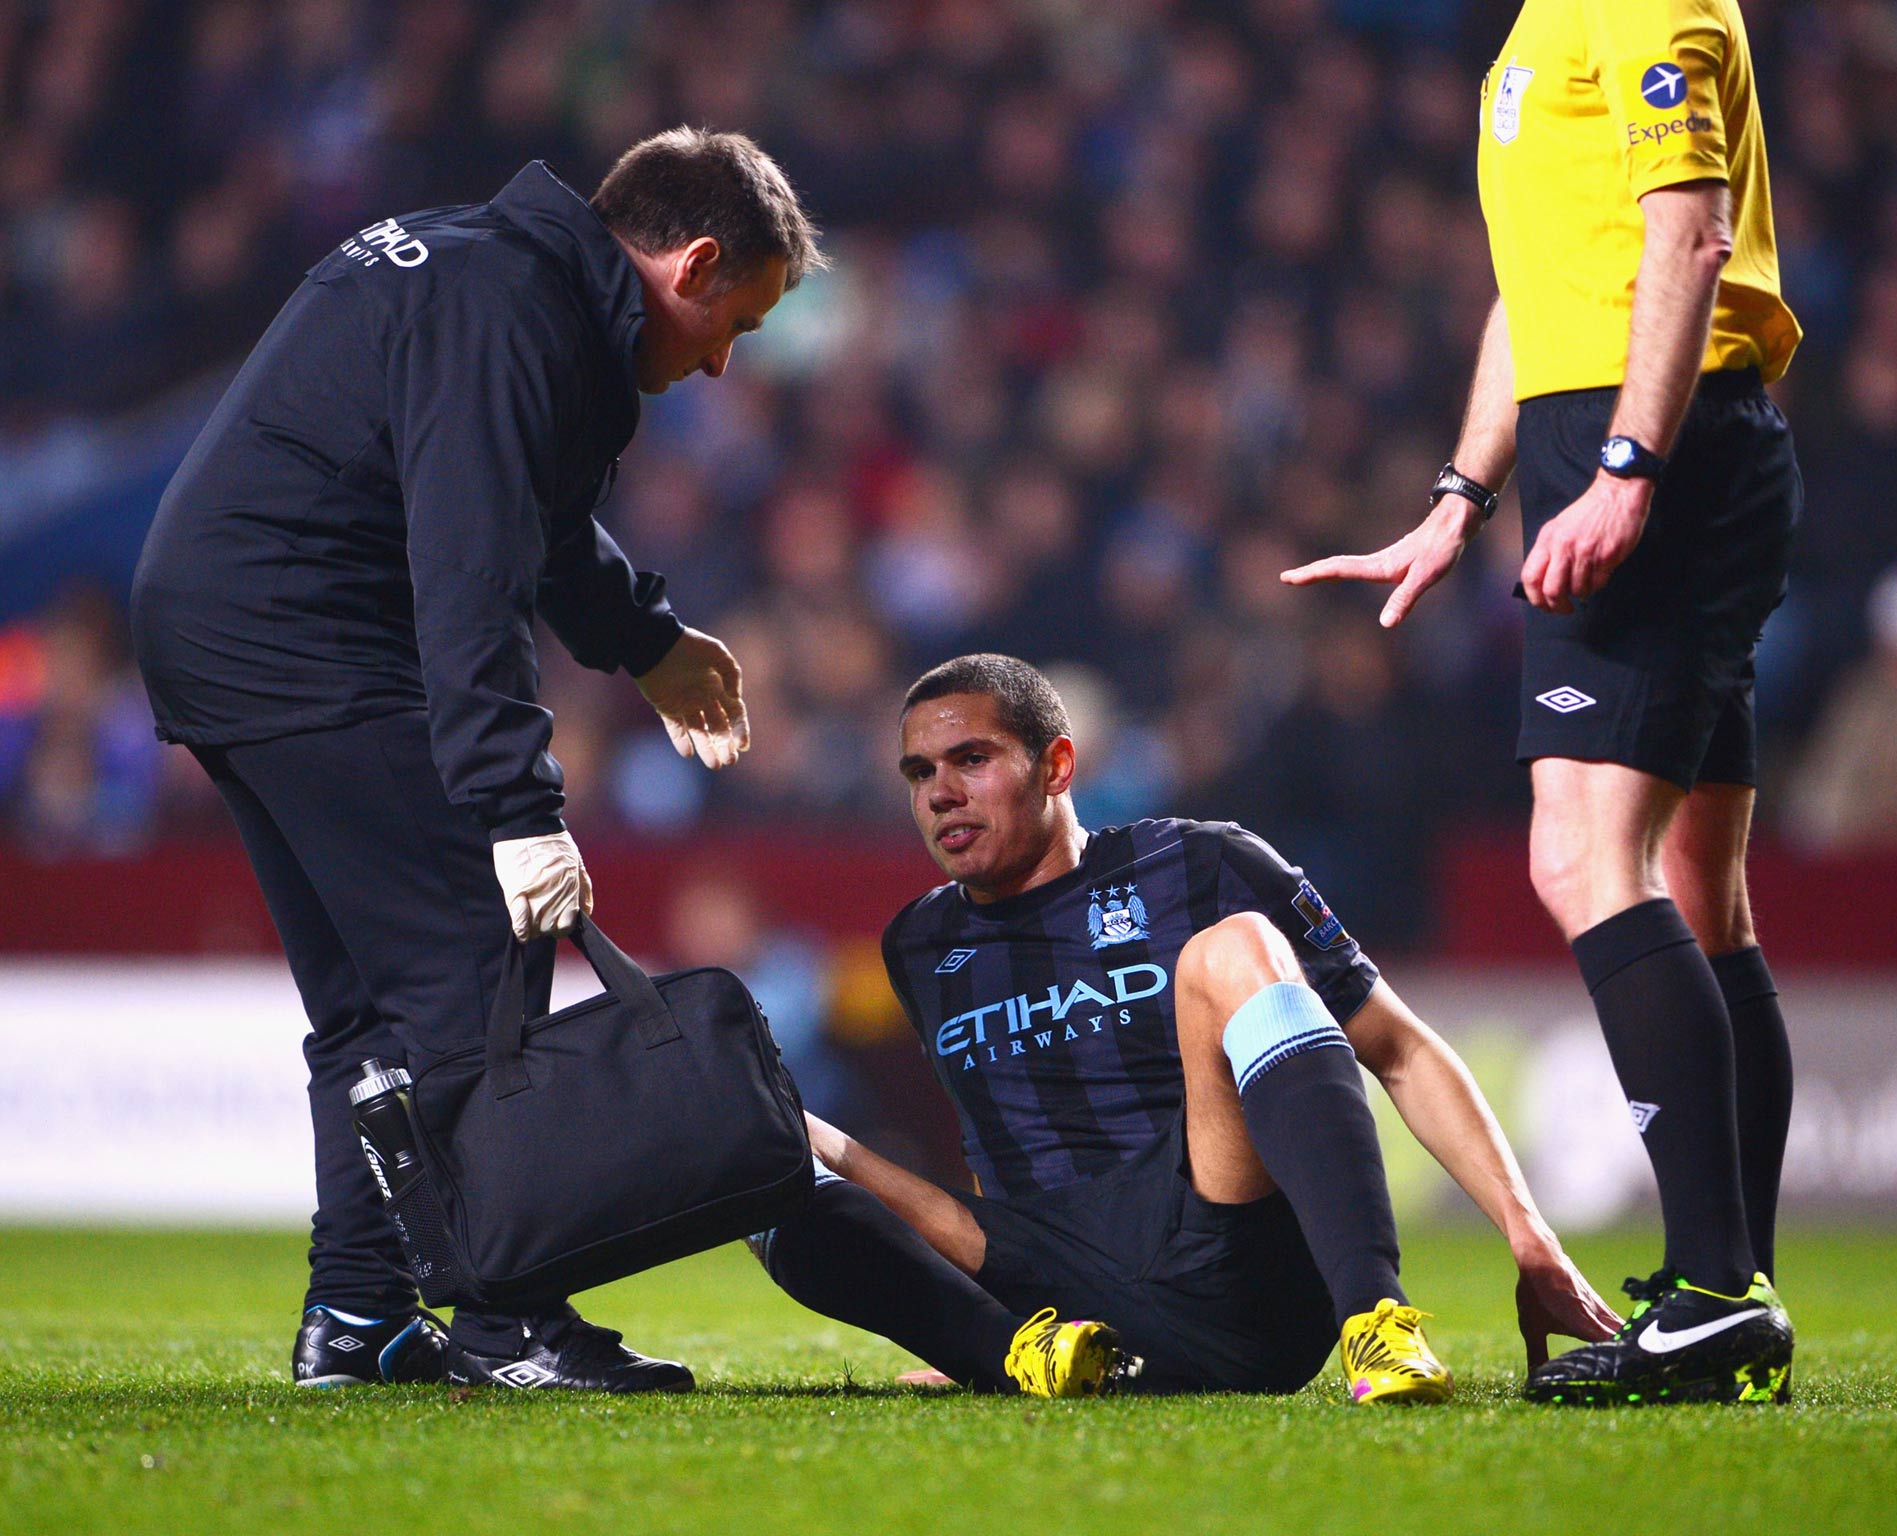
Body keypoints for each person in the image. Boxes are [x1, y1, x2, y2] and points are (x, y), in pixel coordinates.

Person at [129, 129, 824, 1393]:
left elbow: (527, 515)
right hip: (306, 639)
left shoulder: (490, 267)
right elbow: (472, 570)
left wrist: (644, 640)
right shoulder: (510, 309)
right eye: (737, 320)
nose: (722, 358)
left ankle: (357, 1317)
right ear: (694, 259)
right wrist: (516, 809)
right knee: (467, 970)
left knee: (370, 1010)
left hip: (227, 629)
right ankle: (511, 1324)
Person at [1284, 0, 1801, 1405]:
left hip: (1664, 438)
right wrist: (1463, 494)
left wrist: (1629, 463)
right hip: (1620, 430)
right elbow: (1542, 286)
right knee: (1697, 885)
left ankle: (1712, 1292)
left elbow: (1687, 232)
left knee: (1579, 855)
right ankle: (1731, 1285)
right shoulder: (1535, 30)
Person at [746, 654, 1619, 1400]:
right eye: (919, 773)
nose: (941, 794)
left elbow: (1399, 1049)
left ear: (1056, 766)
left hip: (1226, 1259)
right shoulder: (920, 940)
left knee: (1233, 949)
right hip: (1064, 1296)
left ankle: (1374, 1321)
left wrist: (1527, 1236)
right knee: (773, 1141)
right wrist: (970, 1320)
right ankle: (1009, 1354)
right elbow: (994, 1130)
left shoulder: (1200, 863)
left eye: (970, 759)